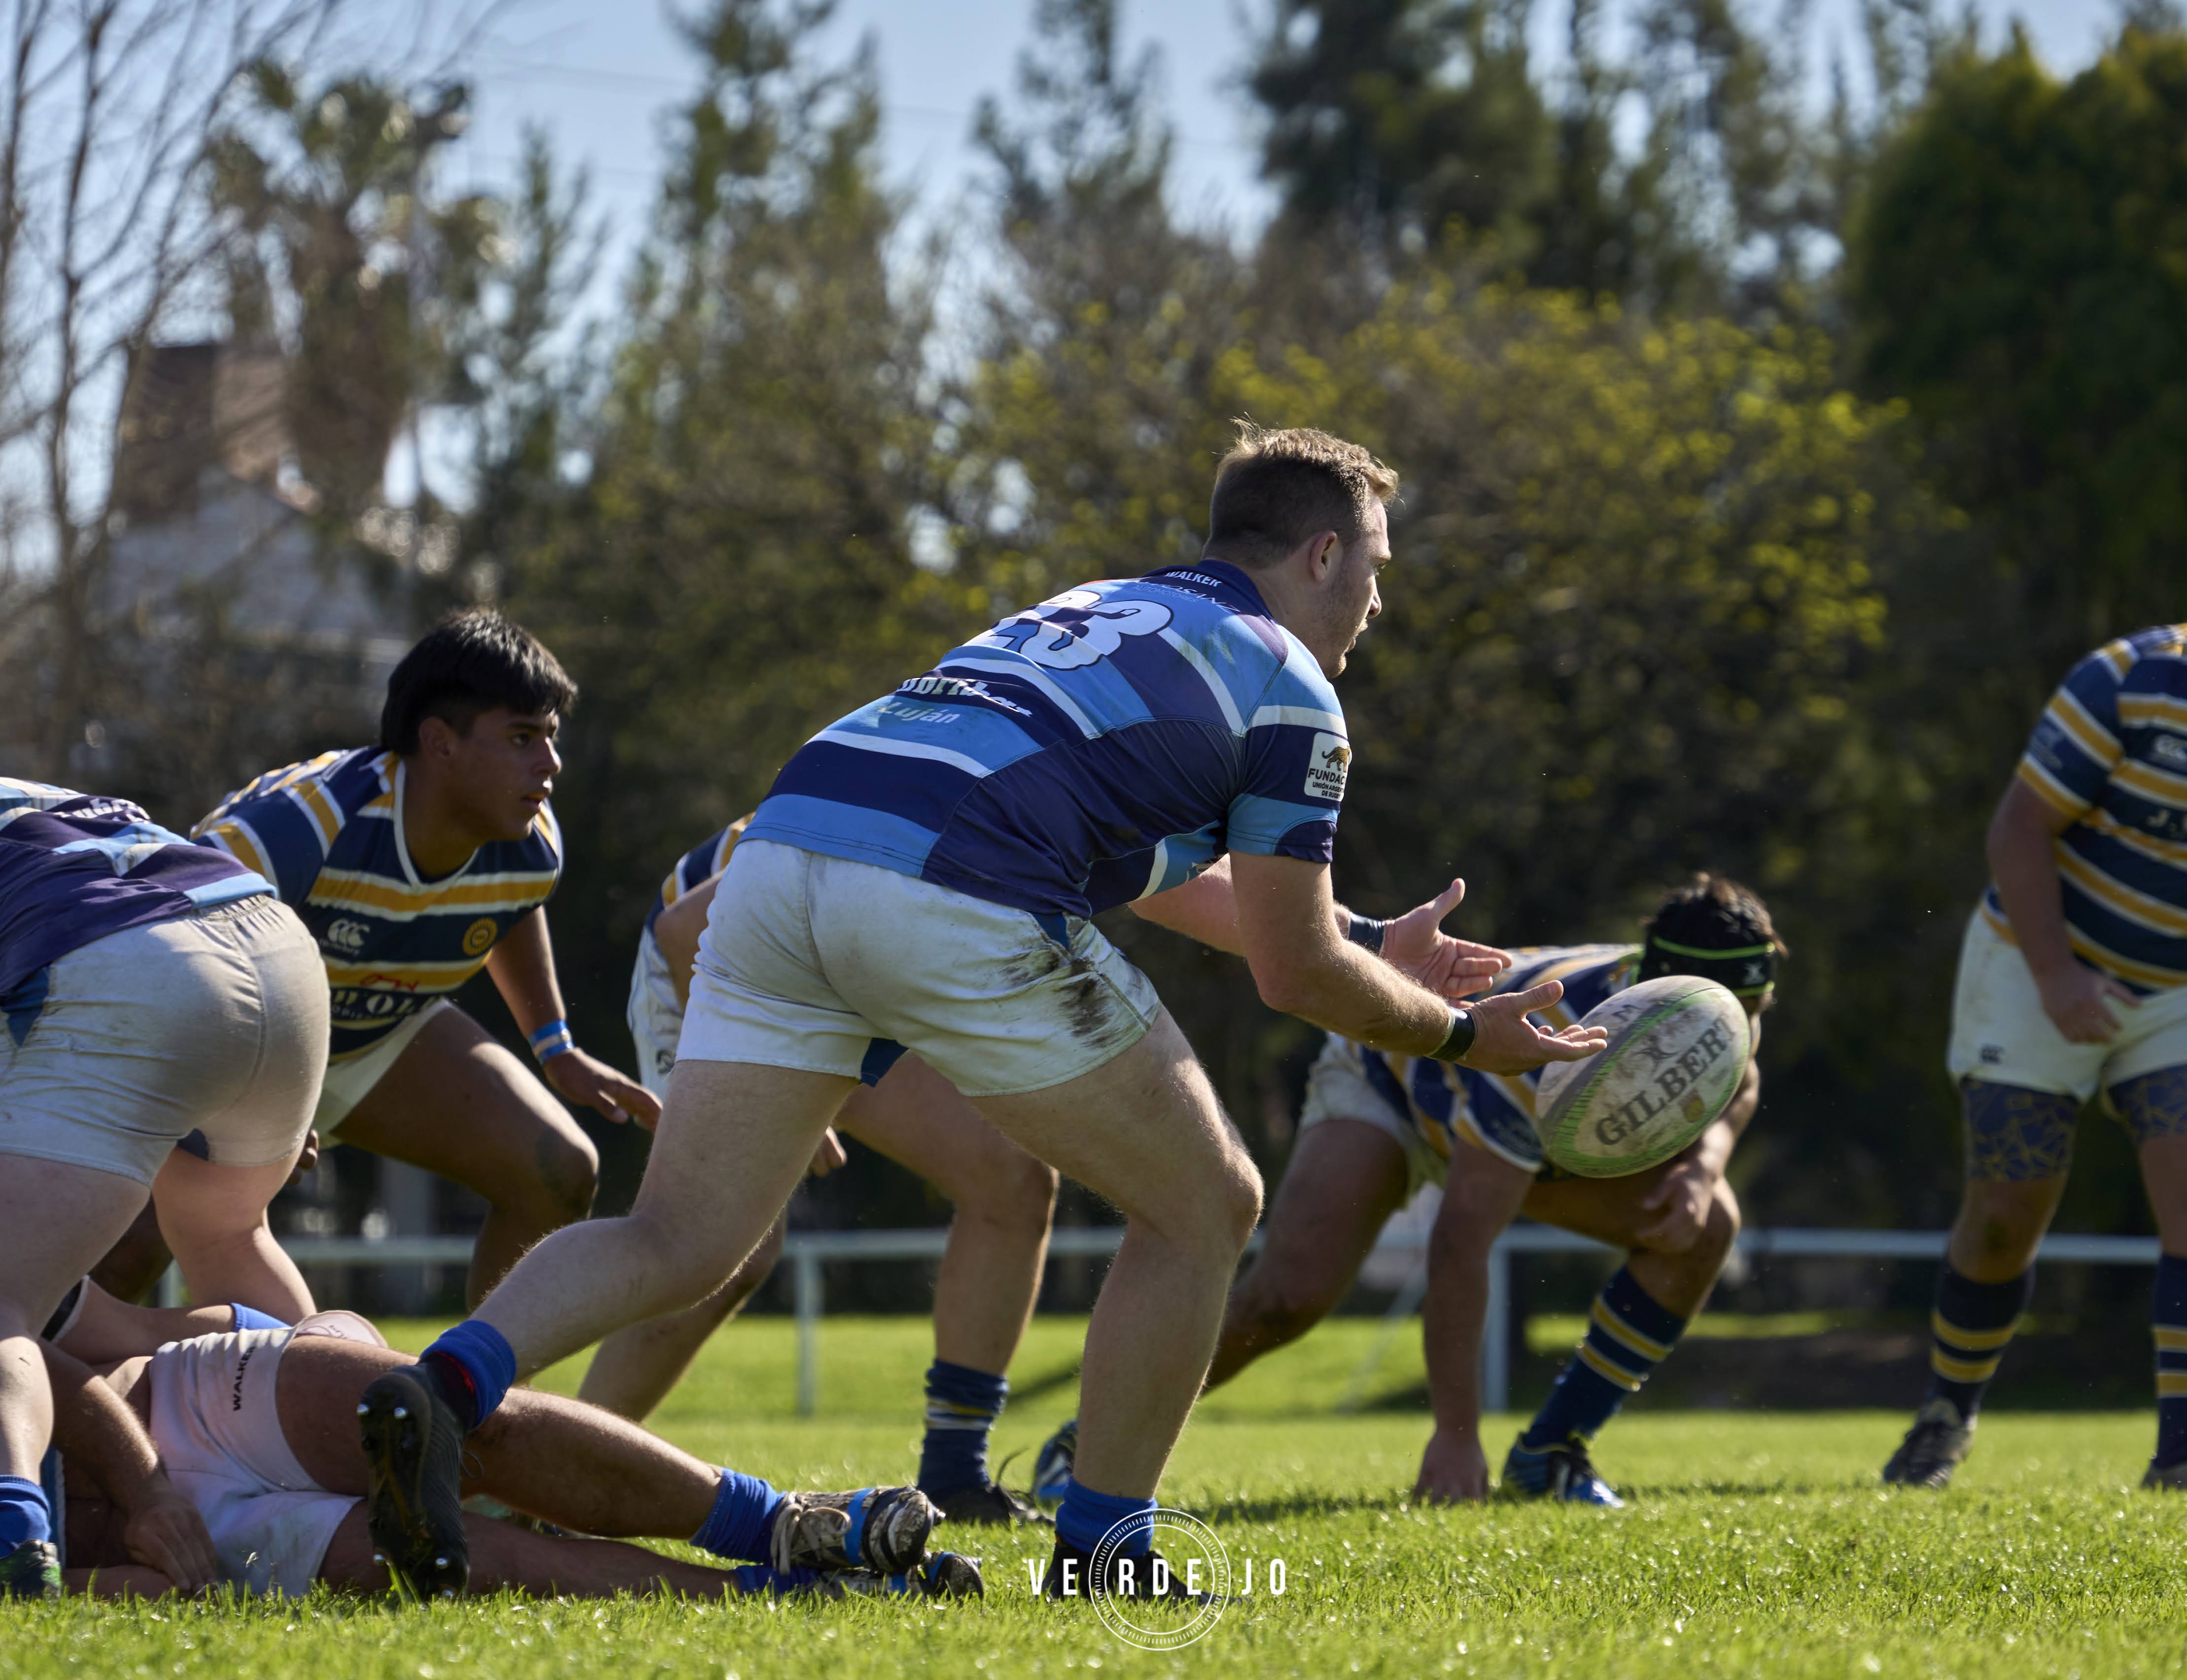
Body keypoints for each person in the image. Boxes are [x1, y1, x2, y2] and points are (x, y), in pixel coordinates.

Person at [359, 422, 1603, 1602]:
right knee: (1205, 1205)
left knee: (681, 1236)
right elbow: (1294, 978)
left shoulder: (1106, 610)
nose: (1377, 605)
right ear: (1322, 552)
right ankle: (1107, 1551)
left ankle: (444, 1384)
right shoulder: (1287, 688)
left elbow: (1162, 879)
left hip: (782, 858)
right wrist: (1457, 1036)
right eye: (1375, 568)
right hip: (946, 889)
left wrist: (1376, 943)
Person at [1033, 876, 1777, 1509]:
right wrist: (1453, 1436)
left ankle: (1549, 1454)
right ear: (1658, 972)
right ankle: (1082, 1448)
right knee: (1287, 1299)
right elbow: (1459, 1243)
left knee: (1706, 1222)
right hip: (1390, 1080)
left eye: (1753, 1010)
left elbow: (1737, 1076)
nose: (1745, 1023)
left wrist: (1701, 1166)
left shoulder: (1708, 1008)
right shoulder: (1557, 1035)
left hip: (1521, 1126)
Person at [1881, 514, 2187, 1494]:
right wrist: (2058, 978)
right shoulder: (2124, 682)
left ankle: (2184, 1457)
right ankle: (1947, 1413)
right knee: (2006, 1212)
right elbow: (2016, 833)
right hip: (2034, 966)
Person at [161, 609, 658, 1304]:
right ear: (440, 743)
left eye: (550, 737)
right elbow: (176, 952)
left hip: (374, 1037)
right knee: (124, 1254)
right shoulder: (299, 825)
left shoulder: (530, 839)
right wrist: (254, 1091)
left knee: (556, 1168)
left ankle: (470, 1402)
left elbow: (511, 906)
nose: (550, 765)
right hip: (219, 1049)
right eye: (522, 738)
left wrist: (556, 1046)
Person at [602, 818, 1058, 1527]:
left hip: (850, 979)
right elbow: (687, 928)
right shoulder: (935, 782)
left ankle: (954, 1474)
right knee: (730, 1245)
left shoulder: (1057, 802)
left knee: (1013, 1178)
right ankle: (550, 1456)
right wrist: (780, 1080)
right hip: (717, 962)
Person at [42, 1311, 976, 1601]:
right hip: (157, 1546)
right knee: (460, 1564)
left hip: (173, 1405)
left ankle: (779, 1524)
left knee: (467, 1432)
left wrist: (147, 1487)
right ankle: (778, 1597)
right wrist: (113, 1580)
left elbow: (40, 1362)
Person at [0, 778, 326, 1598]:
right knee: (229, 1233)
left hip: (127, 964)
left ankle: (14, 1539)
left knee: (1, 1303)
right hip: (272, 945)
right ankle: (353, 1425)